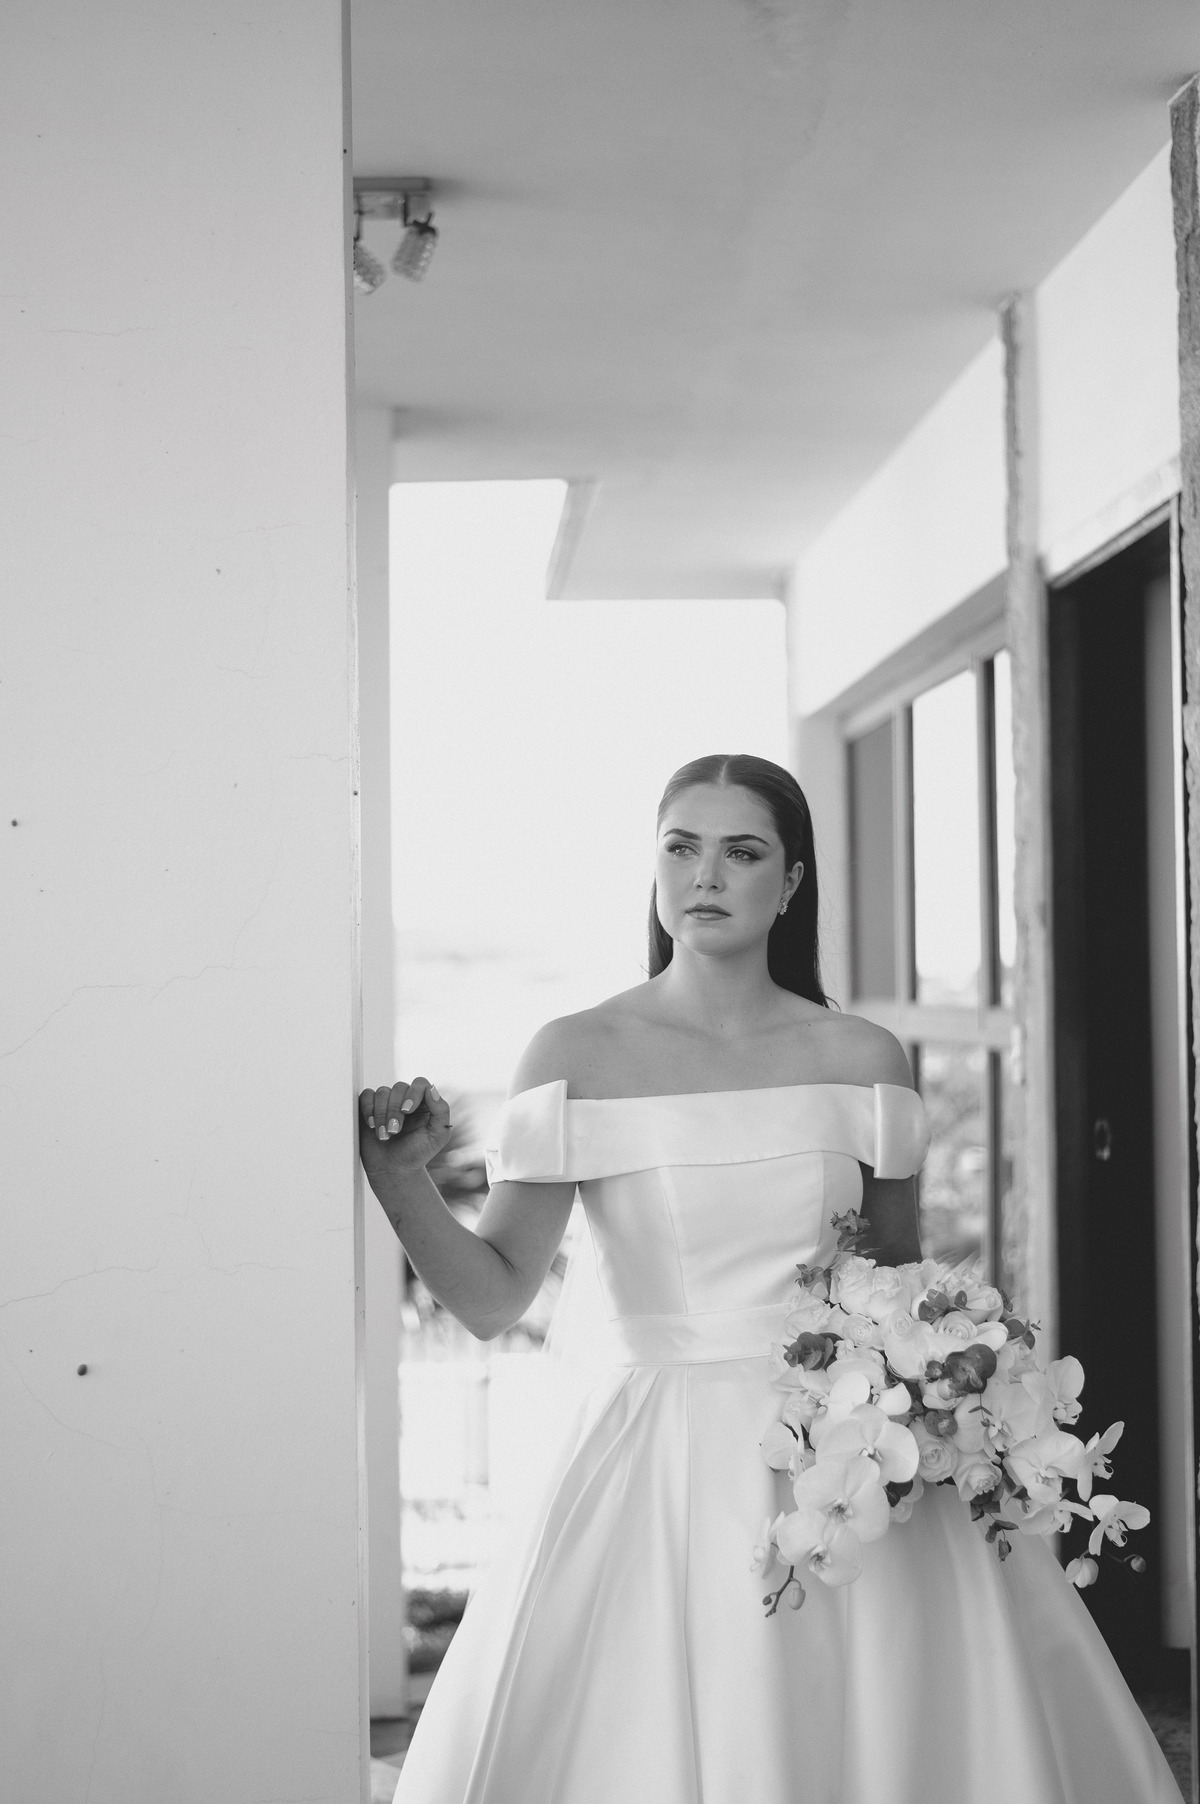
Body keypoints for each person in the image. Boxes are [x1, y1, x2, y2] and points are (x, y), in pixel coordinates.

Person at [359, 753, 1178, 1804]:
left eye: (741, 852)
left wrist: (953, 1388)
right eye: (681, 847)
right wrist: (401, 1179)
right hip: (656, 1464)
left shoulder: (864, 1056)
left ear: (790, 883)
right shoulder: (574, 1053)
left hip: (848, 1451)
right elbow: (492, 1296)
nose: (705, 874)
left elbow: (895, 1282)